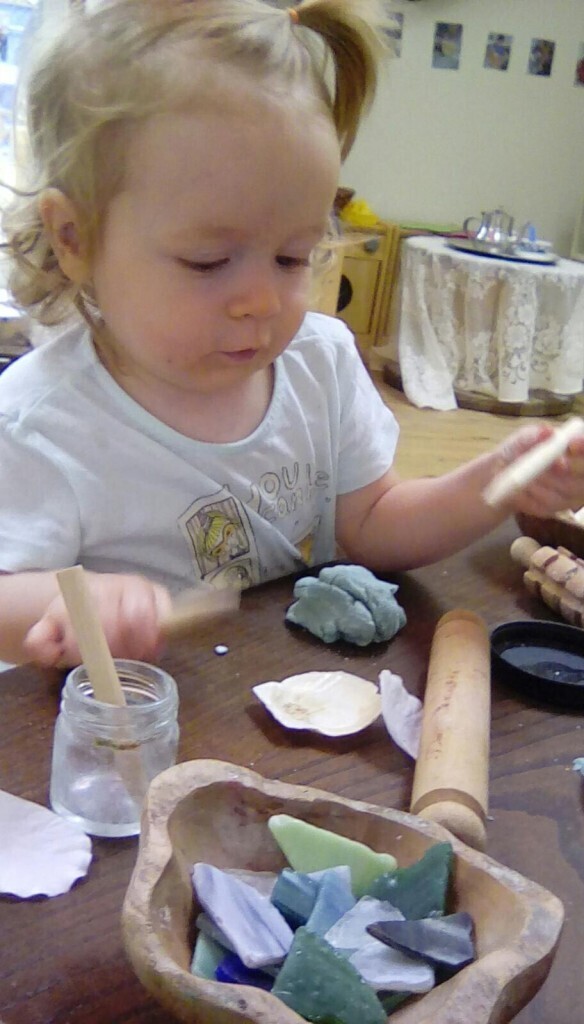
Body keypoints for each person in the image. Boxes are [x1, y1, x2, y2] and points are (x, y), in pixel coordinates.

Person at [1, 0, 583, 671]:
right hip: (128, 716)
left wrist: (496, 482)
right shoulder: (37, 424)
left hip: (291, 696)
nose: (262, 301)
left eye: (292, 257)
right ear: (74, 237)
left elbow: (375, 524)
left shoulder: (319, 362)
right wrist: (71, 606)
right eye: (208, 262)